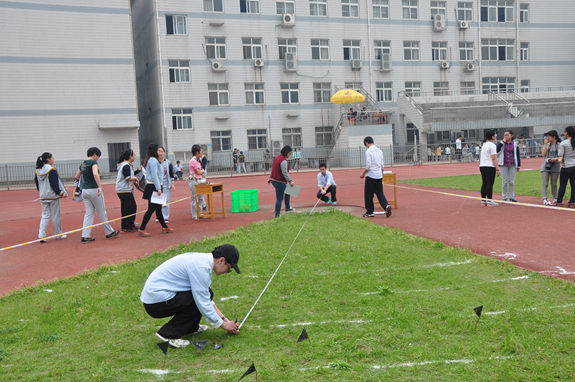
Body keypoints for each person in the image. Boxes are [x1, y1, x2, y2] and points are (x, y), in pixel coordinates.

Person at [140, 244, 241, 348]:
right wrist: (223, 325)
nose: (227, 272)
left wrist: (225, 320)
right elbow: (203, 302)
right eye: (229, 268)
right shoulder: (201, 268)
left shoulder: (203, 262)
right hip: (155, 303)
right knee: (197, 299)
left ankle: (190, 328)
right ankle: (169, 334)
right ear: (221, 260)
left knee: (206, 293)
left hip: (158, 298)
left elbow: (206, 297)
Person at [75, 147, 119, 243]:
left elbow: (77, 176)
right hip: (94, 189)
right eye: (98, 156)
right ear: (95, 154)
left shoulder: (83, 163)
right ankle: (109, 232)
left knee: (88, 213)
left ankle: (85, 235)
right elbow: (95, 174)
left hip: (85, 191)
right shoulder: (93, 163)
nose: (98, 158)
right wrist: (99, 186)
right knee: (101, 211)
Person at [138, 143, 173, 237]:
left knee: (158, 208)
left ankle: (164, 226)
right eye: (158, 150)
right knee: (151, 209)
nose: (159, 152)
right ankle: (142, 228)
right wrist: (158, 188)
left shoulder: (153, 160)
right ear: (154, 151)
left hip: (154, 186)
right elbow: (154, 175)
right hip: (153, 186)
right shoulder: (153, 161)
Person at [35, 152, 68, 242]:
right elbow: (54, 184)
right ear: (48, 160)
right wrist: (61, 193)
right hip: (53, 197)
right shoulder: (52, 170)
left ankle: (42, 235)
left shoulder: (38, 171)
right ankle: (58, 234)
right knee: (56, 215)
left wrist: (42, 192)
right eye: (53, 158)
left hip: (43, 196)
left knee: (45, 215)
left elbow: (37, 184)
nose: (53, 159)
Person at [360, 136, 392, 218]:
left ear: (366, 143)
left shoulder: (368, 151)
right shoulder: (380, 151)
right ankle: (386, 206)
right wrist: (381, 175)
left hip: (371, 175)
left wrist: (363, 174)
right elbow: (382, 165)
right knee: (380, 193)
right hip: (379, 175)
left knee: (368, 194)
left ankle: (370, 211)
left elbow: (368, 165)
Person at [115, 149, 140, 233]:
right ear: (130, 156)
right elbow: (128, 177)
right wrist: (136, 178)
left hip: (126, 189)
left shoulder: (128, 165)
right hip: (123, 190)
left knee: (132, 207)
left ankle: (130, 224)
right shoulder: (125, 165)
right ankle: (125, 226)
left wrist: (138, 172)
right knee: (127, 208)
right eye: (134, 155)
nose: (135, 156)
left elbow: (130, 175)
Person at [268, 145, 295, 217]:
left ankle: (288, 207)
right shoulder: (284, 161)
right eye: (289, 153)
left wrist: (270, 178)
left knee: (288, 191)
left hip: (275, 180)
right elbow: (284, 172)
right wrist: (290, 181)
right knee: (279, 199)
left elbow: (274, 169)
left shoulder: (277, 158)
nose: (290, 155)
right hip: (279, 181)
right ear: (286, 153)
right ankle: (277, 214)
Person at [496, 130, 521, 202]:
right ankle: (504, 196)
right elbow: (496, 150)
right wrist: (501, 142)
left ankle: (511, 196)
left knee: (511, 182)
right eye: (504, 135)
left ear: (511, 136)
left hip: (512, 164)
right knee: (504, 181)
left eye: (507, 135)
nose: (506, 137)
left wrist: (518, 165)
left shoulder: (515, 144)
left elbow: (517, 155)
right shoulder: (502, 144)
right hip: (504, 164)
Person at [555, 126, 575, 207]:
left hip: (566, 166)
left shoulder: (564, 143)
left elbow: (560, 154)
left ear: (567, 133)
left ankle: (559, 201)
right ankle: (572, 201)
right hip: (574, 165)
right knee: (573, 185)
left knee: (563, 184)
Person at [479, 130, 501, 206]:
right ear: (492, 136)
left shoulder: (484, 144)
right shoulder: (492, 145)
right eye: (495, 135)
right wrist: (497, 168)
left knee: (484, 183)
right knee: (489, 184)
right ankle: (489, 201)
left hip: (482, 166)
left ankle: (483, 200)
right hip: (489, 166)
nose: (496, 136)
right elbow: (494, 158)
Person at [541, 130, 562, 206]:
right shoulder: (547, 144)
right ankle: (545, 199)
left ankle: (555, 198)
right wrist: (546, 145)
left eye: (549, 136)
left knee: (554, 183)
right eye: (547, 136)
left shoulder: (559, 145)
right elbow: (543, 155)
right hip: (545, 166)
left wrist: (555, 159)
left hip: (555, 166)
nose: (547, 138)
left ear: (554, 137)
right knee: (545, 183)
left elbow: (561, 156)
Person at [189, 145, 208, 220]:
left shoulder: (198, 160)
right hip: (193, 180)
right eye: (201, 152)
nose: (202, 153)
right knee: (194, 197)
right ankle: (194, 215)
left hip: (199, 180)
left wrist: (202, 171)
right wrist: (203, 171)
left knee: (200, 197)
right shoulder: (193, 160)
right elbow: (199, 171)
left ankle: (200, 213)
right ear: (197, 152)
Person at [157, 147, 175, 224]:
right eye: (159, 151)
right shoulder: (155, 162)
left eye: (162, 151)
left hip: (166, 184)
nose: (160, 153)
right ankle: (158, 215)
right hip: (157, 184)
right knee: (158, 201)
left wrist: (172, 184)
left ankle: (165, 217)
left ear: (164, 153)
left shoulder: (168, 162)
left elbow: (171, 174)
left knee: (166, 201)